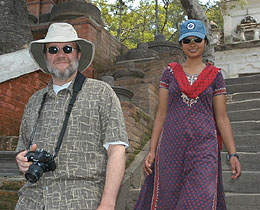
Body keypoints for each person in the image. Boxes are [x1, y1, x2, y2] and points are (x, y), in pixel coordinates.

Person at [15, 22, 129, 210]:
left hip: (80, 200)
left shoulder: (101, 93)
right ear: (45, 57)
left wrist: (108, 203)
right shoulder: (34, 101)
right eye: (53, 49)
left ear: (78, 54)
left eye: (68, 48)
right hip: (31, 201)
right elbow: (22, 151)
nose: (60, 55)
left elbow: (117, 150)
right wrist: (22, 160)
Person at [134, 19, 241, 210]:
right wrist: (151, 150)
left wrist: (232, 154)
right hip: (171, 145)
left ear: (205, 42)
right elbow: (161, 114)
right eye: (187, 40)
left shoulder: (215, 75)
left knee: (198, 200)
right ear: (181, 44)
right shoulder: (170, 73)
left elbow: (222, 117)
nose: (192, 44)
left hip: (204, 146)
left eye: (197, 39)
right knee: (167, 197)